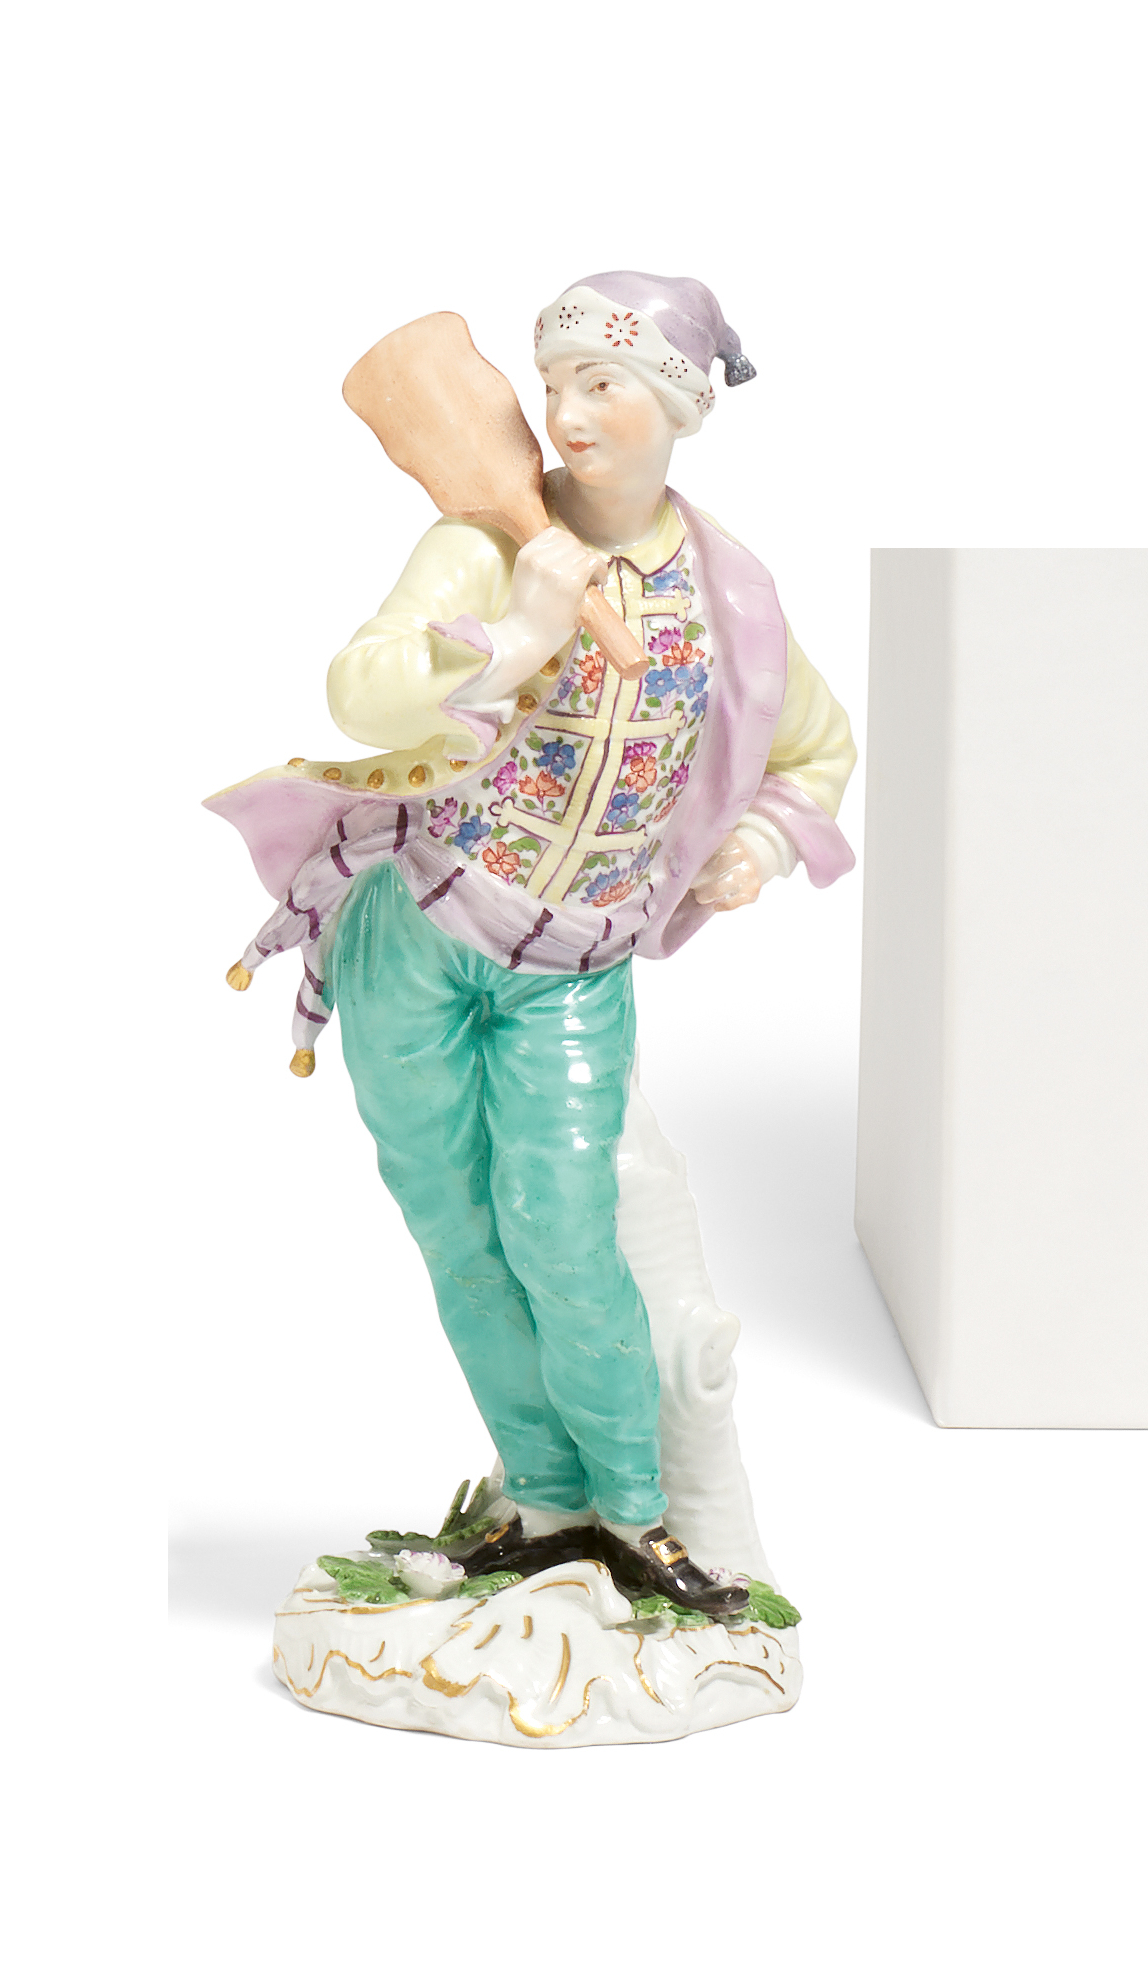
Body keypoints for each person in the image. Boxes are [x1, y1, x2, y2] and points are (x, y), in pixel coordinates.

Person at [208, 273, 856, 1617]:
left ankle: (635, 1516)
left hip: (573, 967)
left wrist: (758, 845)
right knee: (457, 1231)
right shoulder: (483, 544)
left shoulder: (726, 594)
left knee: (564, 1232)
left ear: (678, 404)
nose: (567, 413)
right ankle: (547, 1505)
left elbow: (815, 746)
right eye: (553, 384)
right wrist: (517, 635)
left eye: (603, 384)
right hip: (420, 929)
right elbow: (360, 687)